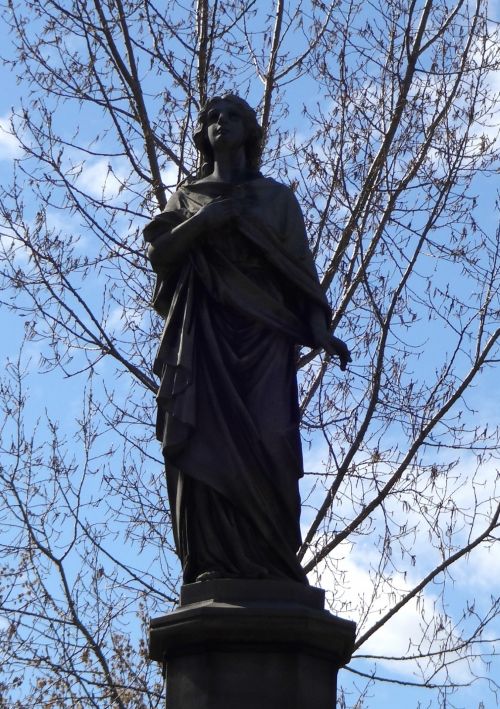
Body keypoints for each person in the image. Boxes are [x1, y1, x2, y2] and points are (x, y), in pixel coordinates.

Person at [144, 94, 350, 584]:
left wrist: (321, 332)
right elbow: (160, 255)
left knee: (274, 438)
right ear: (203, 134)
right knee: (207, 443)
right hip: (205, 336)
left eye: (232, 115)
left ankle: (275, 564)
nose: (221, 123)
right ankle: (214, 563)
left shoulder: (277, 199)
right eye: (212, 118)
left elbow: (300, 272)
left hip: (264, 337)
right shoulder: (189, 198)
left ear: (251, 130)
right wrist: (204, 222)